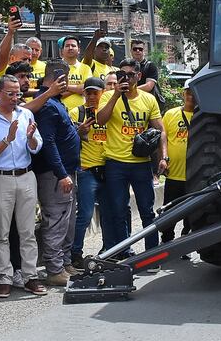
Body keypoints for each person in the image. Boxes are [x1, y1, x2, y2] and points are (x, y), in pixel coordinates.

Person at [96, 58, 167, 252]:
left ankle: (151, 252)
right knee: (119, 211)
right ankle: (125, 251)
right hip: (115, 163)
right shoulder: (108, 95)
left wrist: (163, 156)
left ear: (138, 76)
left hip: (141, 163)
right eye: (121, 74)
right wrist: (115, 95)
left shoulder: (148, 99)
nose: (125, 78)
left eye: (129, 74)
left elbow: (160, 130)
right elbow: (101, 120)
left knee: (147, 211)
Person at [0, 74, 45, 298]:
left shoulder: (26, 113)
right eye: (10, 93)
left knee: (28, 230)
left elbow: (37, 146)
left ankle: (30, 276)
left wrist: (29, 138)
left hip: (26, 175)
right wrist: (7, 139)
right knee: (1, 231)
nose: (14, 98)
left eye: (17, 93)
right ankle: (4, 276)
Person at [32, 62, 81, 285]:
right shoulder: (47, 105)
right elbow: (48, 142)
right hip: (55, 175)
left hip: (67, 171)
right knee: (56, 220)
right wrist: (61, 173)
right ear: (59, 78)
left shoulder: (55, 103)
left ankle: (64, 262)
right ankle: (54, 268)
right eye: (67, 79)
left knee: (67, 220)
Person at [70, 77, 113, 267]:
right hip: (86, 170)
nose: (92, 96)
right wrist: (78, 133)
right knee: (85, 214)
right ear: (83, 93)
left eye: (96, 92)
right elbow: (67, 142)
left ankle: (109, 249)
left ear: (103, 93)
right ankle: (75, 253)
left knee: (108, 213)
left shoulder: (108, 112)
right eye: (88, 92)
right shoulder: (75, 113)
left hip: (108, 170)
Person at [159, 87, 195, 242]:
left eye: (194, 93)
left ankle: (185, 240)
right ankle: (167, 240)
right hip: (174, 173)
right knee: (169, 210)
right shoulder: (170, 114)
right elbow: (163, 138)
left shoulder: (202, 115)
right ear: (183, 94)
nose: (191, 96)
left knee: (191, 212)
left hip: (194, 177)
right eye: (188, 92)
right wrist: (163, 158)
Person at [58, 35, 93, 113]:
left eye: (73, 46)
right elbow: (56, 93)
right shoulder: (56, 67)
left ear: (79, 50)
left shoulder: (85, 68)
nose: (70, 48)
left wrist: (64, 87)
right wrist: (78, 89)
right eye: (67, 46)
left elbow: (86, 89)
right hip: (59, 111)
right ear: (62, 50)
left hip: (80, 113)